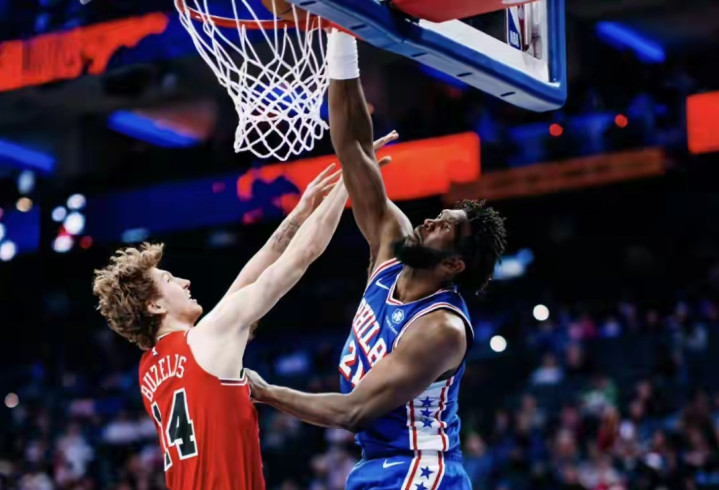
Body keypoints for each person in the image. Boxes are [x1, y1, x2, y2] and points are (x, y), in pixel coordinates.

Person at [246, 29, 507, 490]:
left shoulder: (440, 328)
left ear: (453, 265)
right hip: (378, 464)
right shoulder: (391, 242)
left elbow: (354, 411)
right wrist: (342, 37)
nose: (431, 221)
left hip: (422, 468)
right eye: (439, 216)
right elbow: (353, 149)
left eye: (445, 228)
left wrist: (266, 392)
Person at [91, 133, 395, 490]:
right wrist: (351, 176)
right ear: (154, 305)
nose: (186, 282)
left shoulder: (150, 370)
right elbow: (301, 256)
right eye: (170, 280)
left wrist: (299, 213)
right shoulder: (208, 338)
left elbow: (250, 275)